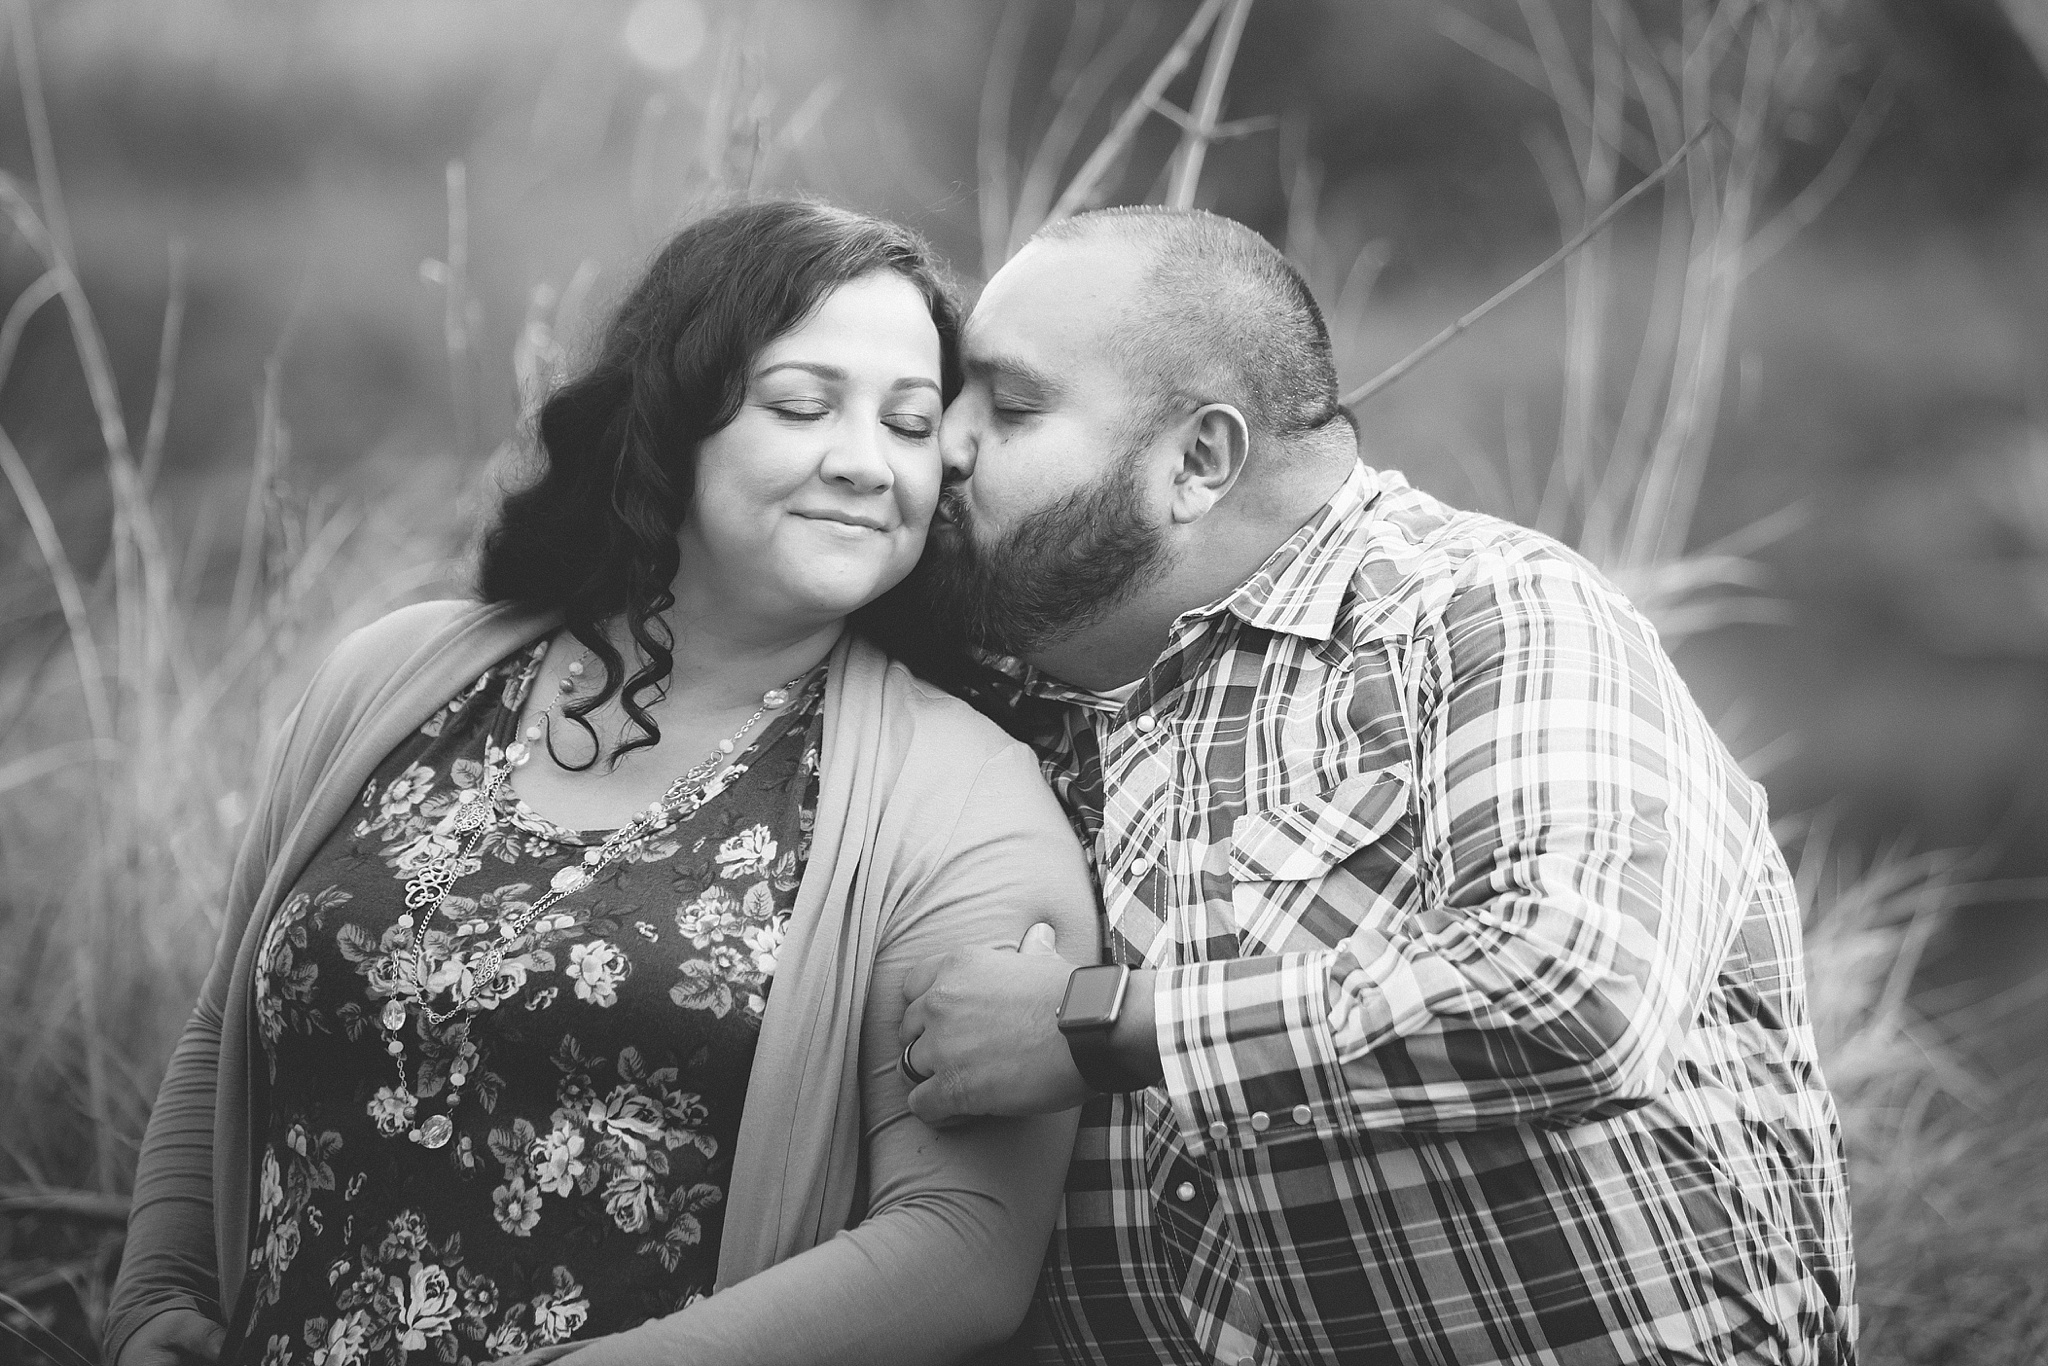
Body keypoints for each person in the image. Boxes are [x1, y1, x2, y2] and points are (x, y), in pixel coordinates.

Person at [105, 199, 1096, 1366]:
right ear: (669, 421)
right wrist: (158, 1290)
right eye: (800, 406)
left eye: (911, 423)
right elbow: (230, 1021)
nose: (865, 463)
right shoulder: (395, 680)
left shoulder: (958, 798)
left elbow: (961, 1245)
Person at [899, 206, 1857, 1365]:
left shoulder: (1483, 612)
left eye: (1009, 407)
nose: (943, 443)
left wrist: (1098, 1025)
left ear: (1197, 460)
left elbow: (1575, 988)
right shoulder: (987, 708)